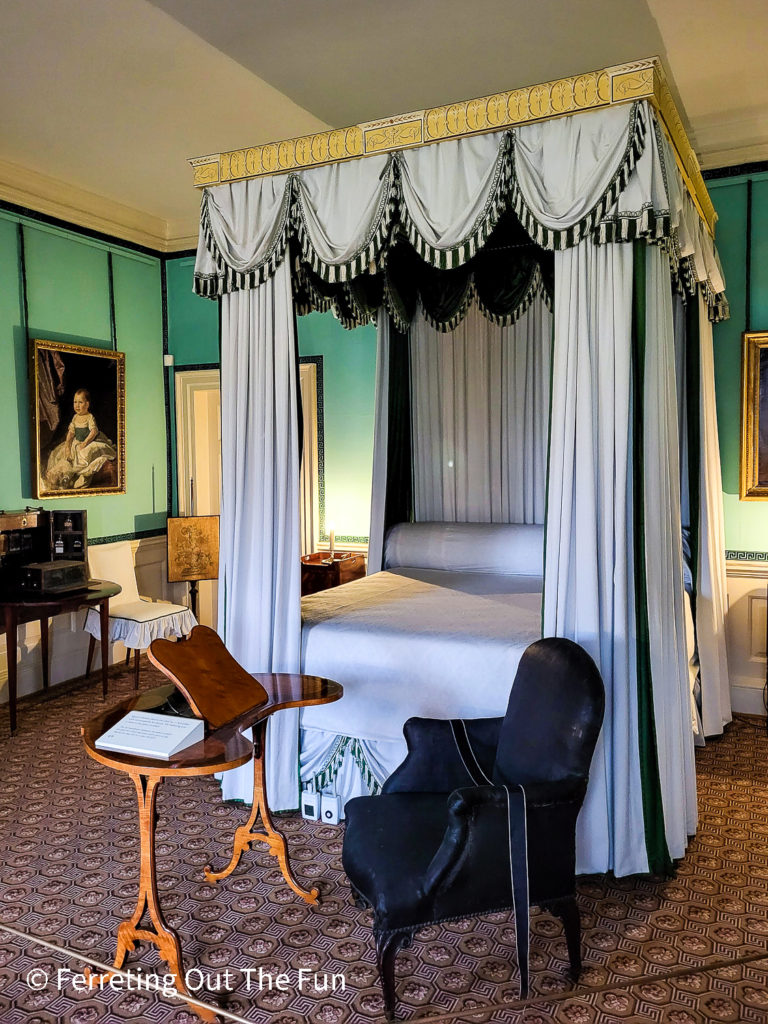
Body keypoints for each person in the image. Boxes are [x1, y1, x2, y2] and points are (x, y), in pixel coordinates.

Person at [43, 389, 117, 490]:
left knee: (84, 455)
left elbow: (93, 432)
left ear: (87, 404)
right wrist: (68, 446)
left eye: (80, 402)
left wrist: (85, 443)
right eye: (75, 402)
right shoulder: (75, 417)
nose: (77, 405)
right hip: (76, 442)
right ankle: (60, 475)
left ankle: (76, 474)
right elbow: (71, 433)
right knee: (64, 455)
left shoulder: (89, 417)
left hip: (90, 441)